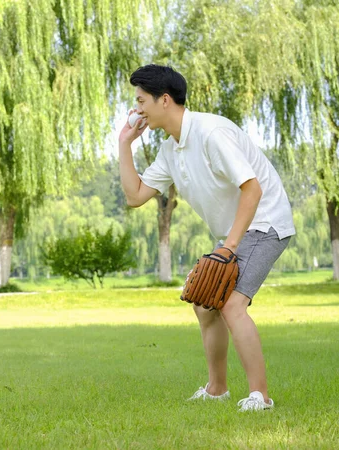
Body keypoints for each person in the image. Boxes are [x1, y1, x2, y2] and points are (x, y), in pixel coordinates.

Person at [118, 64, 295, 411]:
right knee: (205, 303)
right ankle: (217, 389)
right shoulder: (171, 149)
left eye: (141, 101)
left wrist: (228, 247)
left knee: (231, 304)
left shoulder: (210, 132)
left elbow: (252, 188)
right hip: (236, 230)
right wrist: (124, 143)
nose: (136, 109)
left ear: (164, 100)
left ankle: (261, 395)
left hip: (265, 221)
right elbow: (135, 196)